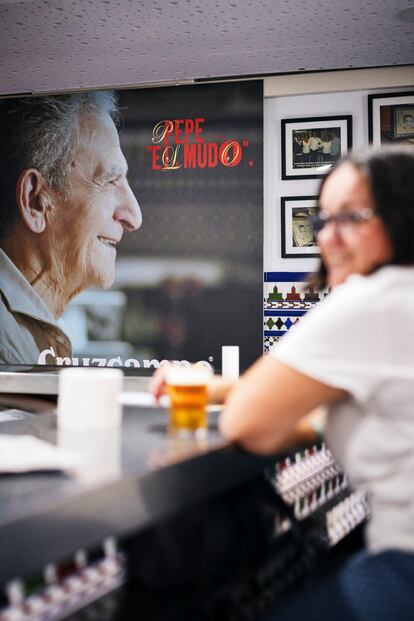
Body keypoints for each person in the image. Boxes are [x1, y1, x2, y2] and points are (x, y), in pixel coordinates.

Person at [151, 146, 414, 620]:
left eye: (352, 217)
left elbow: (247, 423)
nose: (329, 238)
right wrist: (217, 386)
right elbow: (329, 395)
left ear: (402, 216)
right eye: (322, 221)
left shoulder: (372, 300)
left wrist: (233, 396)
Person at [0, 93, 142, 365]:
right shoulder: (7, 352)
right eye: (110, 181)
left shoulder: (29, 332)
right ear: (36, 201)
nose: (134, 217)